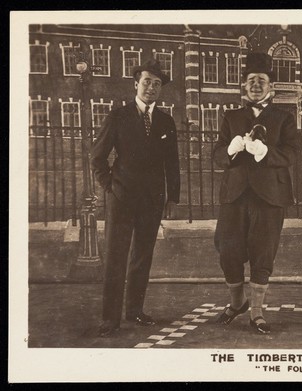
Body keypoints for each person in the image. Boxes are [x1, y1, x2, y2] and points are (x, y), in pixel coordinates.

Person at [90, 59, 180, 337]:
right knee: (116, 258)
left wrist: (172, 199)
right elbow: (97, 157)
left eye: (156, 83)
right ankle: (110, 319)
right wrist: (110, 187)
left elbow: (172, 164)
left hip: (152, 201)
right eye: (146, 82)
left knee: (142, 256)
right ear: (135, 84)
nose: (151, 87)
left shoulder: (166, 120)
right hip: (121, 199)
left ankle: (135, 311)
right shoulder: (118, 116)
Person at [213, 52, 300, 334]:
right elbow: (216, 154)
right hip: (235, 194)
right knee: (228, 250)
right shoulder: (231, 117)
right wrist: (230, 149)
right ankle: (238, 302)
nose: (255, 85)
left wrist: (265, 151)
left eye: (261, 80)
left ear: (271, 88)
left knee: (263, 253)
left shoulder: (284, 117)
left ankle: (257, 312)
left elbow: (292, 154)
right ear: (244, 87)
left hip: (269, 196)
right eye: (251, 80)